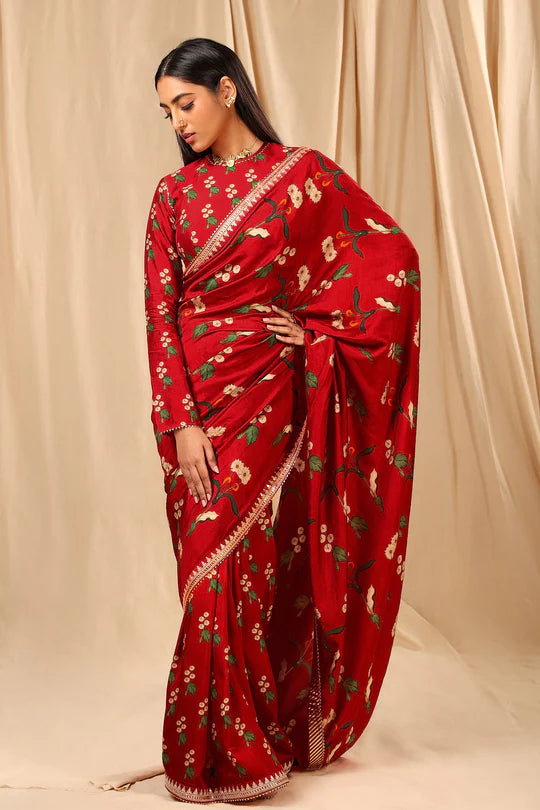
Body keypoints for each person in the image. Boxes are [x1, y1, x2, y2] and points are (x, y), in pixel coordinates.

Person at [143, 36, 420, 804]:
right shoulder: (173, 197)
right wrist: (180, 421)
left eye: (185, 103)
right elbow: (159, 317)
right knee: (209, 570)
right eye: (167, 112)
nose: (178, 122)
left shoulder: (301, 177)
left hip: (269, 396)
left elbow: (389, 258)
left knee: (258, 567)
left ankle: (245, 749)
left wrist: (322, 333)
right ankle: (208, 750)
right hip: (198, 405)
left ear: (227, 89)